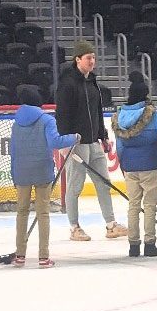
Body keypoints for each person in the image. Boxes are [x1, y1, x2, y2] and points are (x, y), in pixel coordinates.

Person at [55, 40, 128, 241]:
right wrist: (65, 142)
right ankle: (74, 227)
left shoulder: (92, 81)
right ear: (78, 59)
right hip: (76, 144)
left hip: (93, 141)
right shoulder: (67, 83)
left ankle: (111, 225)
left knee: (103, 183)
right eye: (88, 58)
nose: (92, 61)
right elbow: (61, 114)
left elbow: (96, 112)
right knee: (75, 187)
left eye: (94, 57)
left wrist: (103, 135)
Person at [112, 72, 157, 257]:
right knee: (150, 206)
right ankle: (150, 243)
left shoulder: (119, 116)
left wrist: (123, 164)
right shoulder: (151, 114)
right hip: (150, 164)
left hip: (130, 166)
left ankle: (133, 245)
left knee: (133, 205)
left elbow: (119, 145)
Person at [10, 87, 80, 268]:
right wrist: (73, 137)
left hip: (21, 171)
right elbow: (55, 142)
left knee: (21, 213)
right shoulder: (47, 119)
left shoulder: (16, 122)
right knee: (43, 213)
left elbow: (13, 151)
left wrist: (14, 174)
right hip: (42, 169)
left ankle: (20, 255)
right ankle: (43, 256)